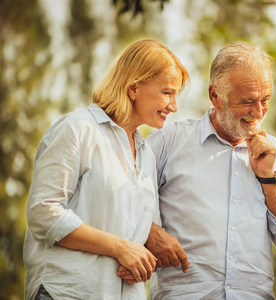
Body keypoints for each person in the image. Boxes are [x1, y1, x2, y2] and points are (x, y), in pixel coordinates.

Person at [119, 43, 276, 299]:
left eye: (265, 100)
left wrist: (268, 179)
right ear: (215, 96)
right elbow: (122, 201)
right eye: (247, 101)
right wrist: (150, 232)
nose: (259, 112)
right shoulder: (168, 142)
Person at [24, 39, 189, 300]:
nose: (174, 106)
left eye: (176, 95)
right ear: (134, 88)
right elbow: (43, 214)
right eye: (167, 92)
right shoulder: (78, 129)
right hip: (67, 293)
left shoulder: (146, 155)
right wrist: (120, 248)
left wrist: (141, 263)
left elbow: (136, 234)